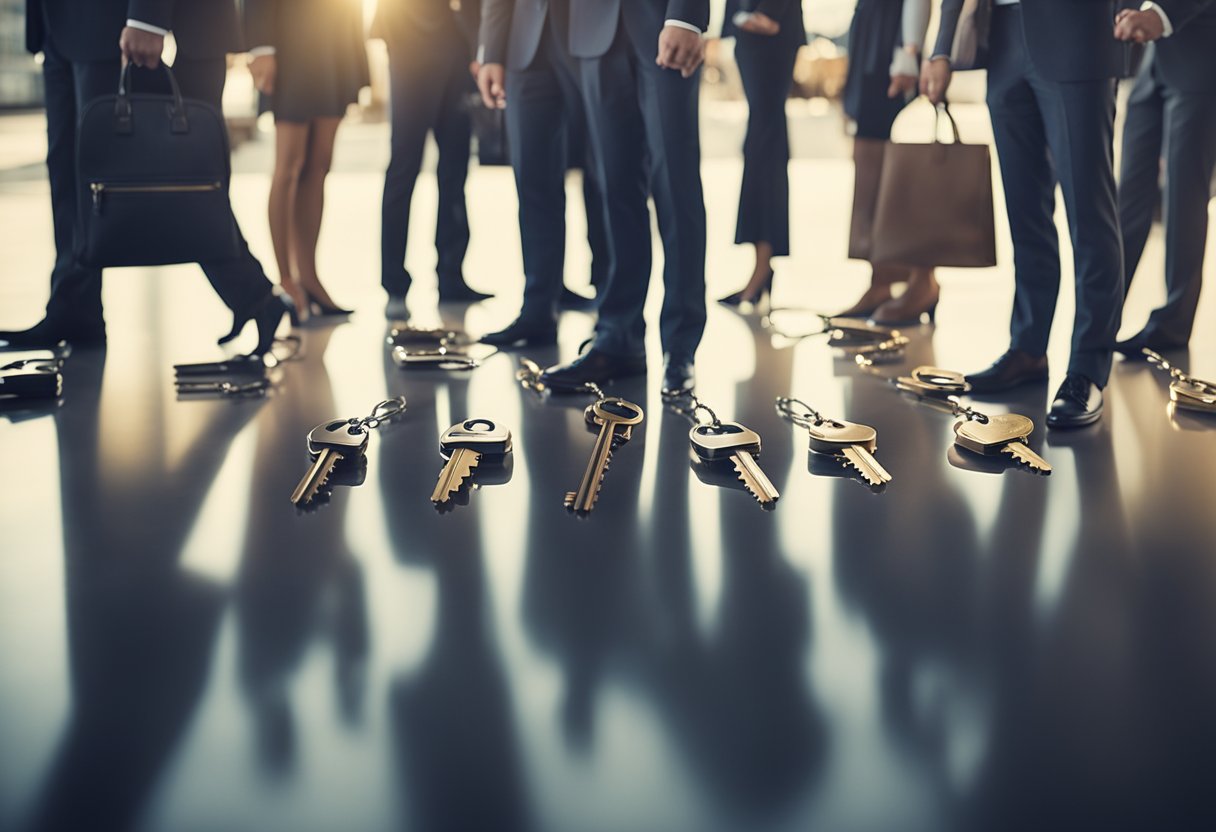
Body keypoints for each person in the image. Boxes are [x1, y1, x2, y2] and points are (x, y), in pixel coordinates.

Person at [0, 0, 290, 354]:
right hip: (60, 23)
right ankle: (74, 306)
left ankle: (255, 295)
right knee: (70, 172)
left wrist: (147, 16)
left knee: (177, 172)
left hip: (123, 19)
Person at [923, 0, 1133, 428]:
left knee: (1088, 213)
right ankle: (1029, 347)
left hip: (1077, 35)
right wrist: (941, 47)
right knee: (1024, 212)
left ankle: (1087, 369)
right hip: (1003, 38)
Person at [540, 0, 710, 394]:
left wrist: (686, 15)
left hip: (664, 19)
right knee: (611, 185)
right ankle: (620, 337)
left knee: (675, 181)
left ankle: (681, 345)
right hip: (590, 27)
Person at [475, 0, 612, 348]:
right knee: (532, 180)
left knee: (607, 176)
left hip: (597, 33)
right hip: (526, 42)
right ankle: (538, 310)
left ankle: (613, 314)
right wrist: (491, 50)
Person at [244, 0, 369, 322]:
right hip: (291, 37)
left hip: (337, 30)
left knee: (320, 164)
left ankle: (309, 278)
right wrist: (260, 47)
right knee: (289, 166)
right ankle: (285, 281)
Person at [372, 0, 493, 321]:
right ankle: (395, 285)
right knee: (404, 166)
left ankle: (452, 275)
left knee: (455, 167)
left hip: (459, 44)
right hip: (408, 38)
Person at [1113, 1, 1216, 356]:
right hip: (1153, 60)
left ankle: (1172, 325)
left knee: (1184, 197)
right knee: (1127, 194)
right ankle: (1101, 314)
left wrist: (1160, 15)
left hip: (1204, 53)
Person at [836, 0, 935, 324]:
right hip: (870, 31)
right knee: (870, 167)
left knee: (898, 169)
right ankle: (881, 280)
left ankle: (922, 281)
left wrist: (909, 50)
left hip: (893, 39)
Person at [717, 0, 806, 311]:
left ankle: (762, 268)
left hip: (767, 24)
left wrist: (765, 12)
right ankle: (760, 267)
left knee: (764, 144)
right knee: (760, 142)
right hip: (751, 27)